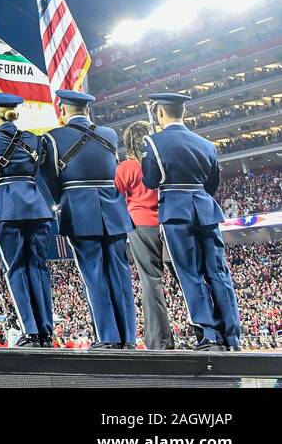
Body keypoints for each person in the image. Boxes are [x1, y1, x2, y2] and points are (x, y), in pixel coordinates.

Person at [140, 91, 241, 350]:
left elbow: (151, 180)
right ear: (183, 112)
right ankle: (232, 335)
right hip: (205, 209)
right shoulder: (206, 144)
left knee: (191, 275)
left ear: (160, 113)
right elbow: (212, 183)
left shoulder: (153, 141)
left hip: (176, 211)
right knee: (218, 272)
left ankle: (208, 334)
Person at [40, 89, 137, 349]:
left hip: (79, 208)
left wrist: (63, 200)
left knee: (93, 274)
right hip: (113, 209)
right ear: (87, 110)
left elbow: (51, 180)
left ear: (62, 109)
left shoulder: (52, 138)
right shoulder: (109, 134)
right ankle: (128, 337)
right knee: (120, 272)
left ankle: (107, 337)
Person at [0, 92, 55, 347]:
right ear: (16, 113)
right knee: (39, 268)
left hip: (6, 206)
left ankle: (30, 330)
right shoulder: (34, 139)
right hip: (37, 205)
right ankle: (46, 330)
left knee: (17, 268)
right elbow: (38, 171)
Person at [118, 120, 173, 351]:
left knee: (151, 283)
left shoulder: (127, 167)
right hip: (169, 222)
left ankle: (160, 342)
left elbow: (114, 196)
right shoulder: (164, 161)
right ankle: (207, 336)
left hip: (142, 226)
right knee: (188, 279)